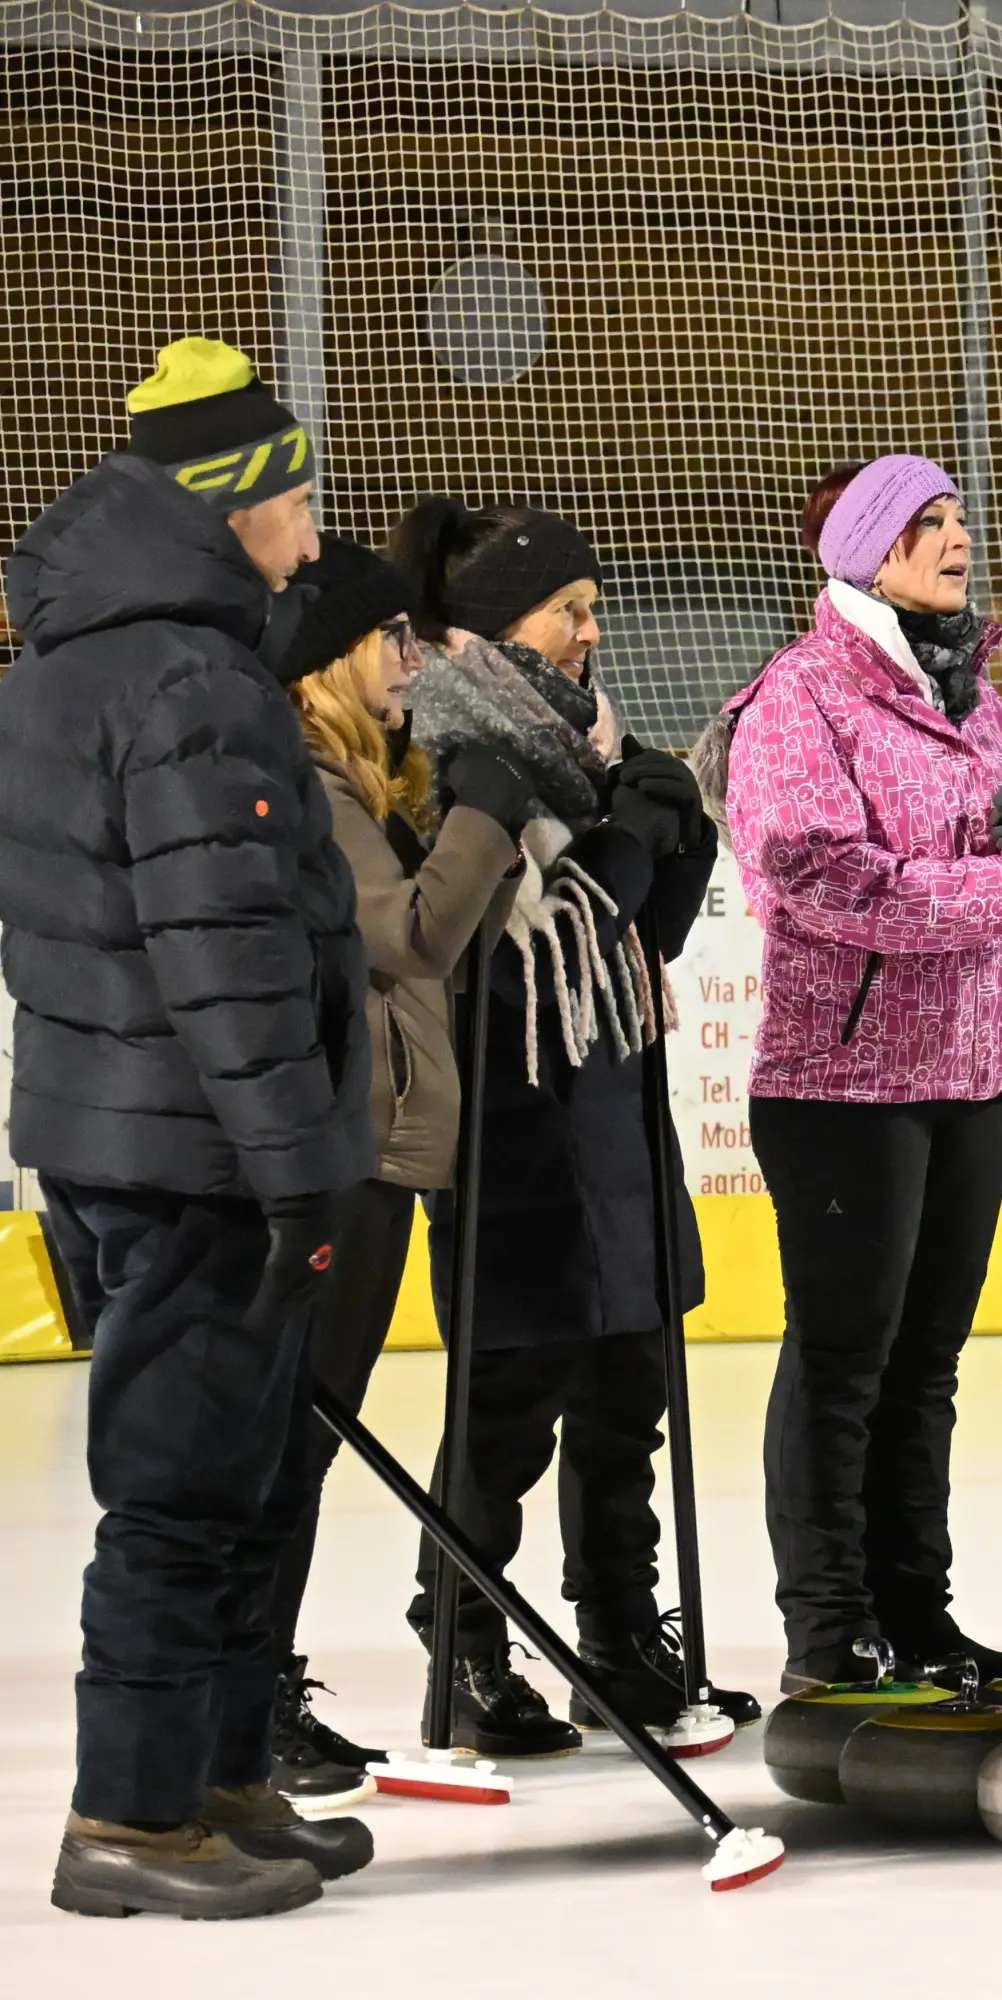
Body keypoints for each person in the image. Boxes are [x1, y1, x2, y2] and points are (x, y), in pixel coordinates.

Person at [1, 338, 373, 1917]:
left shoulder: (81, 657)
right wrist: (296, 1170)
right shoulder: (192, 681)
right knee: (180, 1492)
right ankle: (131, 1822)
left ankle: (215, 1779)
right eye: (299, 496)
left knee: (234, 1479)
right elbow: (224, 951)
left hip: (123, 1131)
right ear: (236, 503)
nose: (313, 526)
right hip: (198, 1148)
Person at [396, 496, 751, 1751]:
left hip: (616, 1109)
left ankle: (617, 1631)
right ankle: (465, 1638)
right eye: (569, 610)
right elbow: (521, 957)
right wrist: (634, 839)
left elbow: (644, 936)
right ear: (500, 626)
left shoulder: (588, 749)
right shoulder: (453, 760)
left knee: (626, 1395)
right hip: (516, 1131)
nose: (594, 632)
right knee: (507, 1410)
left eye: (593, 607)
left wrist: (669, 830)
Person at [721, 456, 1002, 1692]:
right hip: (843, 1081)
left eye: (961, 515)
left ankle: (918, 1610)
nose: (959, 537)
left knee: (927, 1364)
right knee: (843, 1360)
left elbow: (1001, 848)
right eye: (928, 523)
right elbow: (810, 872)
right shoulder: (802, 692)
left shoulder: (973, 690)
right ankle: (828, 1629)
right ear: (869, 552)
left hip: (971, 1067)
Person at [265, 537, 527, 1805]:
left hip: (380, 1146)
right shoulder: (313, 784)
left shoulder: (360, 780)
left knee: (307, 1437)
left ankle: (256, 1688)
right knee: (296, 1440)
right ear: (333, 658)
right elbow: (414, 932)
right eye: (389, 640)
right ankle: (252, 1695)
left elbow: (449, 934)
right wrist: (489, 809)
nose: (408, 660)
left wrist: (484, 828)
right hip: (348, 1152)